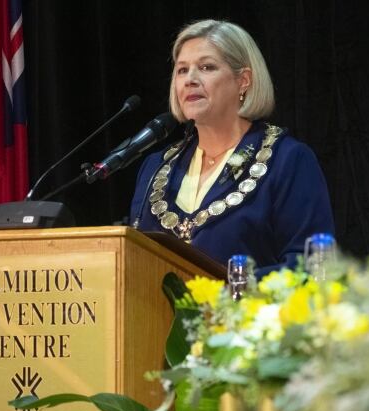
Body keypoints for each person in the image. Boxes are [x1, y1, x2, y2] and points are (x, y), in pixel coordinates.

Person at [130, 19, 334, 275]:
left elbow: (311, 266)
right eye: (182, 70)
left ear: (243, 81)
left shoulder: (288, 160)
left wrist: (227, 291)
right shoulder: (154, 169)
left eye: (206, 67)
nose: (190, 79)